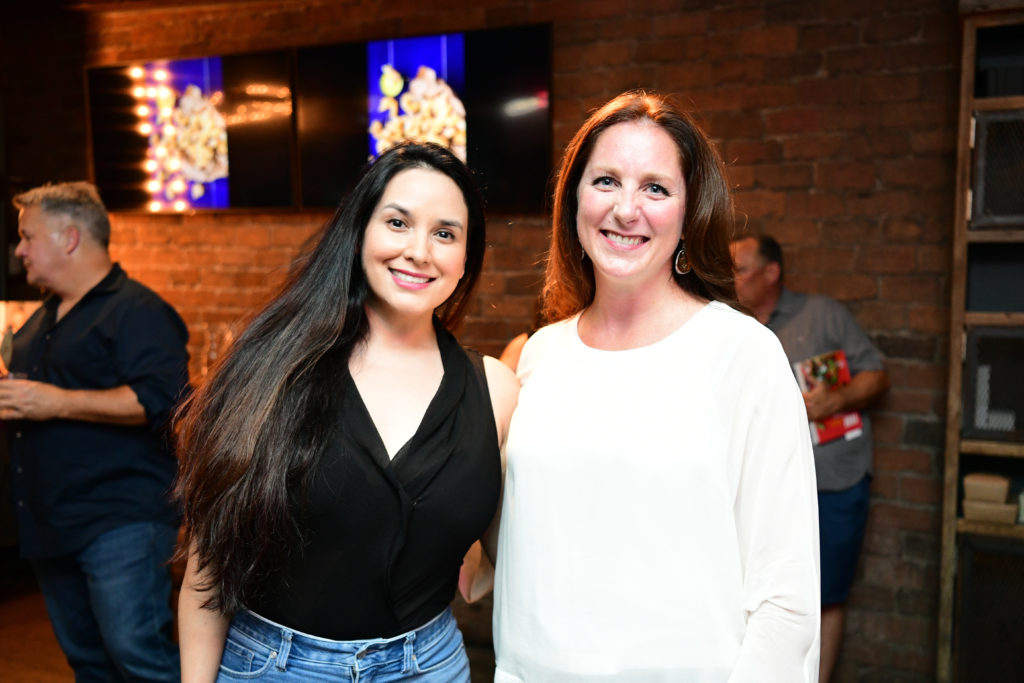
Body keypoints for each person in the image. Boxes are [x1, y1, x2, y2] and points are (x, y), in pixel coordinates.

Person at [491, 91, 820, 682]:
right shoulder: (541, 355)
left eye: (655, 188)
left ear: (690, 212)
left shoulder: (742, 355)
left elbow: (785, 601)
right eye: (606, 181)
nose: (626, 209)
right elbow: (523, 542)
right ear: (573, 202)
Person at [174, 142, 518, 682]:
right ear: (360, 231)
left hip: (428, 665)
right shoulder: (274, 365)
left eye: (445, 233)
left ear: (466, 259)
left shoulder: (495, 389)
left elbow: (505, 548)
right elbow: (209, 567)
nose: (420, 251)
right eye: (398, 223)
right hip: (279, 667)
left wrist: (457, 551)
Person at [0, 181, 188, 681]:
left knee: (138, 657)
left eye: (27, 236)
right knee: (88, 662)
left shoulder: (138, 311)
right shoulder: (39, 321)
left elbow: (162, 401)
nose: (18, 250)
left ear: (69, 239)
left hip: (119, 520)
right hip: (50, 521)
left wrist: (53, 401)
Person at [730, 233, 889, 683]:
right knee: (759, 595)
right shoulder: (732, 330)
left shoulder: (823, 315)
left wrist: (834, 400)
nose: (731, 277)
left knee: (826, 595)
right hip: (761, 488)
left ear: (771, 273)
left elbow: (877, 376)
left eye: (739, 268)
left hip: (834, 481)